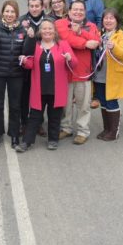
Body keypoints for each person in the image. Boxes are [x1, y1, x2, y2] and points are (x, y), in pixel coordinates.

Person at [17, 19, 75, 151]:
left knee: (55, 116)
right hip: (39, 88)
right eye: (44, 28)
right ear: (40, 31)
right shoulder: (36, 45)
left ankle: (53, 140)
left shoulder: (63, 44)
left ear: (55, 31)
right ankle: (26, 142)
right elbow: (31, 64)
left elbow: (74, 64)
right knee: (34, 117)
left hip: (56, 88)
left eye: (50, 28)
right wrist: (24, 60)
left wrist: (69, 58)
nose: (47, 31)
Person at [55, 0, 101, 144]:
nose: (78, 12)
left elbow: (97, 41)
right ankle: (66, 128)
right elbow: (66, 39)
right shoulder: (60, 24)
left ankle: (83, 131)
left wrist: (80, 32)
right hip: (65, 71)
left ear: (85, 12)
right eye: (75, 9)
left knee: (84, 105)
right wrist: (85, 43)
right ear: (69, 11)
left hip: (83, 72)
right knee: (65, 104)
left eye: (81, 10)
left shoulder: (91, 26)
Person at [0, 0, 26, 148]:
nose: (9, 14)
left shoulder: (22, 29)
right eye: (7, 11)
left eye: (12, 12)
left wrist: (30, 37)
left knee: (15, 105)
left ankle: (14, 134)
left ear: (17, 14)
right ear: (2, 12)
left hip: (16, 73)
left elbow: (26, 51)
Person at [93, 8, 123, 141]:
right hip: (99, 75)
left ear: (117, 20)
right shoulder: (99, 34)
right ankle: (106, 129)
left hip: (113, 76)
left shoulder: (122, 35)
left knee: (111, 101)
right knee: (103, 101)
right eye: (106, 18)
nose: (108, 21)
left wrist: (114, 47)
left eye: (111, 18)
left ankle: (114, 132)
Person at [18, 0, 48, 134]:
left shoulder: (48, 21)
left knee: (40, 95)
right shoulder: (21, 21)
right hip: (25, 65)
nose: (34, 9)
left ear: (42, 7)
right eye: (32, 6)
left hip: (43, 64)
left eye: (37, 6)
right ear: (28, 7)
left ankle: (38, 123)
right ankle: (24, 123)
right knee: (24, 95)